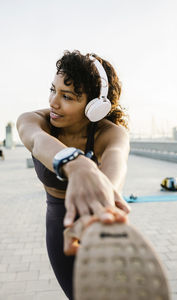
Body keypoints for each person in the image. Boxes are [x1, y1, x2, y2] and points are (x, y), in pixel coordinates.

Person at [17, 50, 131, 300]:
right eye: (52, 90)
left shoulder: (110, 135)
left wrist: (105, 207)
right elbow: (37, 142)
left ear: (95, 106)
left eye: (66, 96)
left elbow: (115, 169)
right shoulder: (35, 121)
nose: (53, 102)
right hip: (59, 225)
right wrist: (78, 164)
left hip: (98, 222)